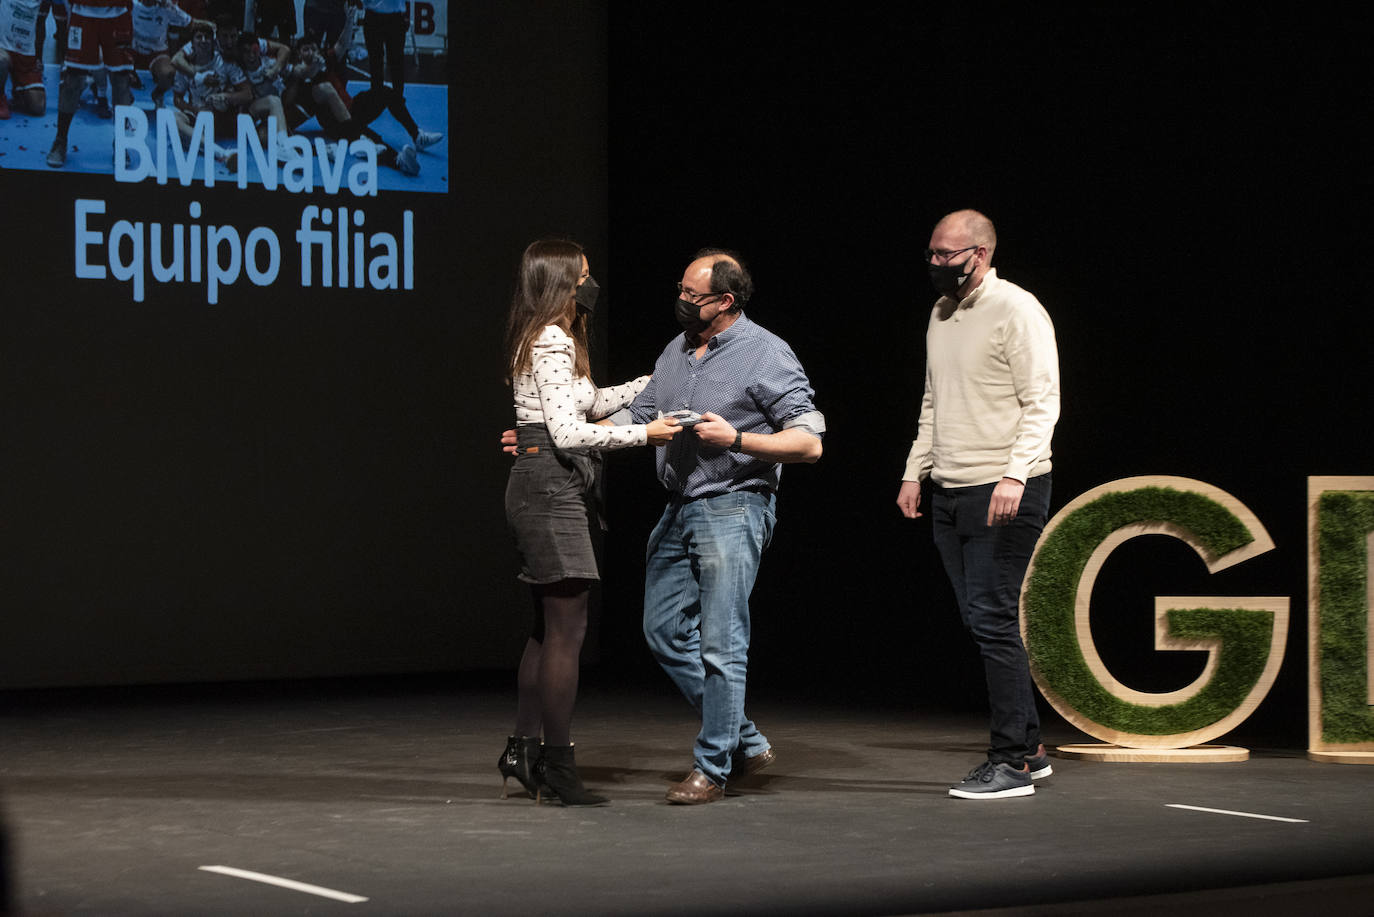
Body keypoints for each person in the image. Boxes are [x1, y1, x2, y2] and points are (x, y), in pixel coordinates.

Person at [620, 249, 825, 805]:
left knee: (721, 641)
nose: (682, 301)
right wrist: (556, 434)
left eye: (693, 295)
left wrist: (735, 439)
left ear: (726, 301)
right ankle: (745, 738)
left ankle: (712, 767)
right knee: (662, 632)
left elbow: (808, 442)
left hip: (734, 506)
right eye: (680, 290)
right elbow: (638, 419)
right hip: (679, 506)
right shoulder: (676, 351)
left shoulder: (765, 352)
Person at [499, 239, 682, 807]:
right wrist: (644, 433)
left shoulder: (549, 338)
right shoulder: (551, 339)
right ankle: (558, 766)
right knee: (568, 632)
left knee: (547, 630)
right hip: (549, 487)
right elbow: (568, 434)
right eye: (582, 277)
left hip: (547, 482)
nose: (590, 284)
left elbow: (589, 402)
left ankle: (523, 750)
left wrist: (653, 384)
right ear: (562, 283)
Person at [895, 209, 1060, 800]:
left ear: (980, 255)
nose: (937, 265)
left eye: (948, 255)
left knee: (992, 618)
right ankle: (1032, 748)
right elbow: (933, 401)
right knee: (979, 618)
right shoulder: (940, 314)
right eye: (932, 254)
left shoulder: (1017, 309)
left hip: (1005, 487)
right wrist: (917, 471)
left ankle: (1010, 762)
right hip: (950, 488)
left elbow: (1042, 402)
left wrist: (1014, 477)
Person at [280, 25, 418, 176]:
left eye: (313, 49)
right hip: (335, 121)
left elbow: (342, 44)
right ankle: (398, 160)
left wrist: (349, 21)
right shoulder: (298, 70)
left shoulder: (325, 59)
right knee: (365, 135)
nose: (310, 52)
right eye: (306, 49)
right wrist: (315, 66)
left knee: (385, 92)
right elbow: (305, 74)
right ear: (299, 54)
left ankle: (417, 134)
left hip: (352, 107)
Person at [45, 0, 134, 167]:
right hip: (83, 13)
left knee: (121, 80)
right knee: (73, 79)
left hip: (118, 13)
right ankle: (60, 140)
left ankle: (122, 143)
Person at [358, 0, 440, 152]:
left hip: (394, 17)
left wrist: (405, 15)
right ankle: (379, 101)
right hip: (373, 16)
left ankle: (397, 102)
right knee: (376, 64)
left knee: (396, 65)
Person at [0, 0, 47, 118]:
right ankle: (1, 98)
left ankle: (19, 89)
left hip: (26, 55)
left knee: (38, 107)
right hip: (3, 47)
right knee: (1, 61)